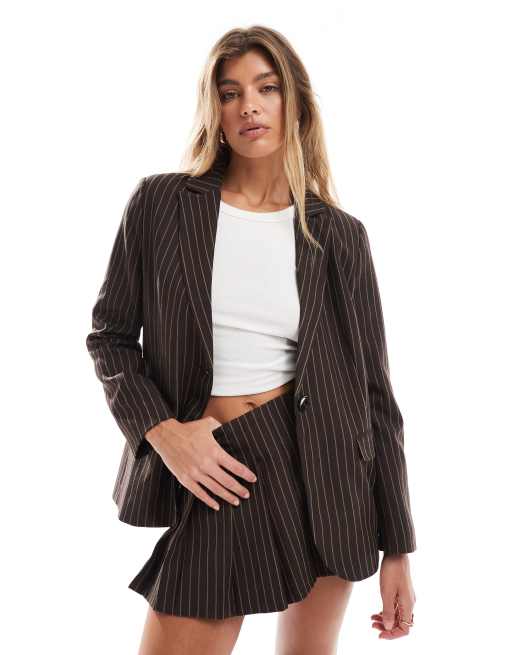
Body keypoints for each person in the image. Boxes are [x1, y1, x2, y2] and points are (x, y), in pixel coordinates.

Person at [86, 25, 417, 655]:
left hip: (326, 475)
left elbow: (375, 394)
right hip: (223, 468)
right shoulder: (161, 203)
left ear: (295, 102)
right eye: (230, 92)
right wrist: (163, 432)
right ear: (214, 109)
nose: (249, 106)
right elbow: (110, 338)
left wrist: (398, 547)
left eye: (267, 88)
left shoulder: (339, 235)